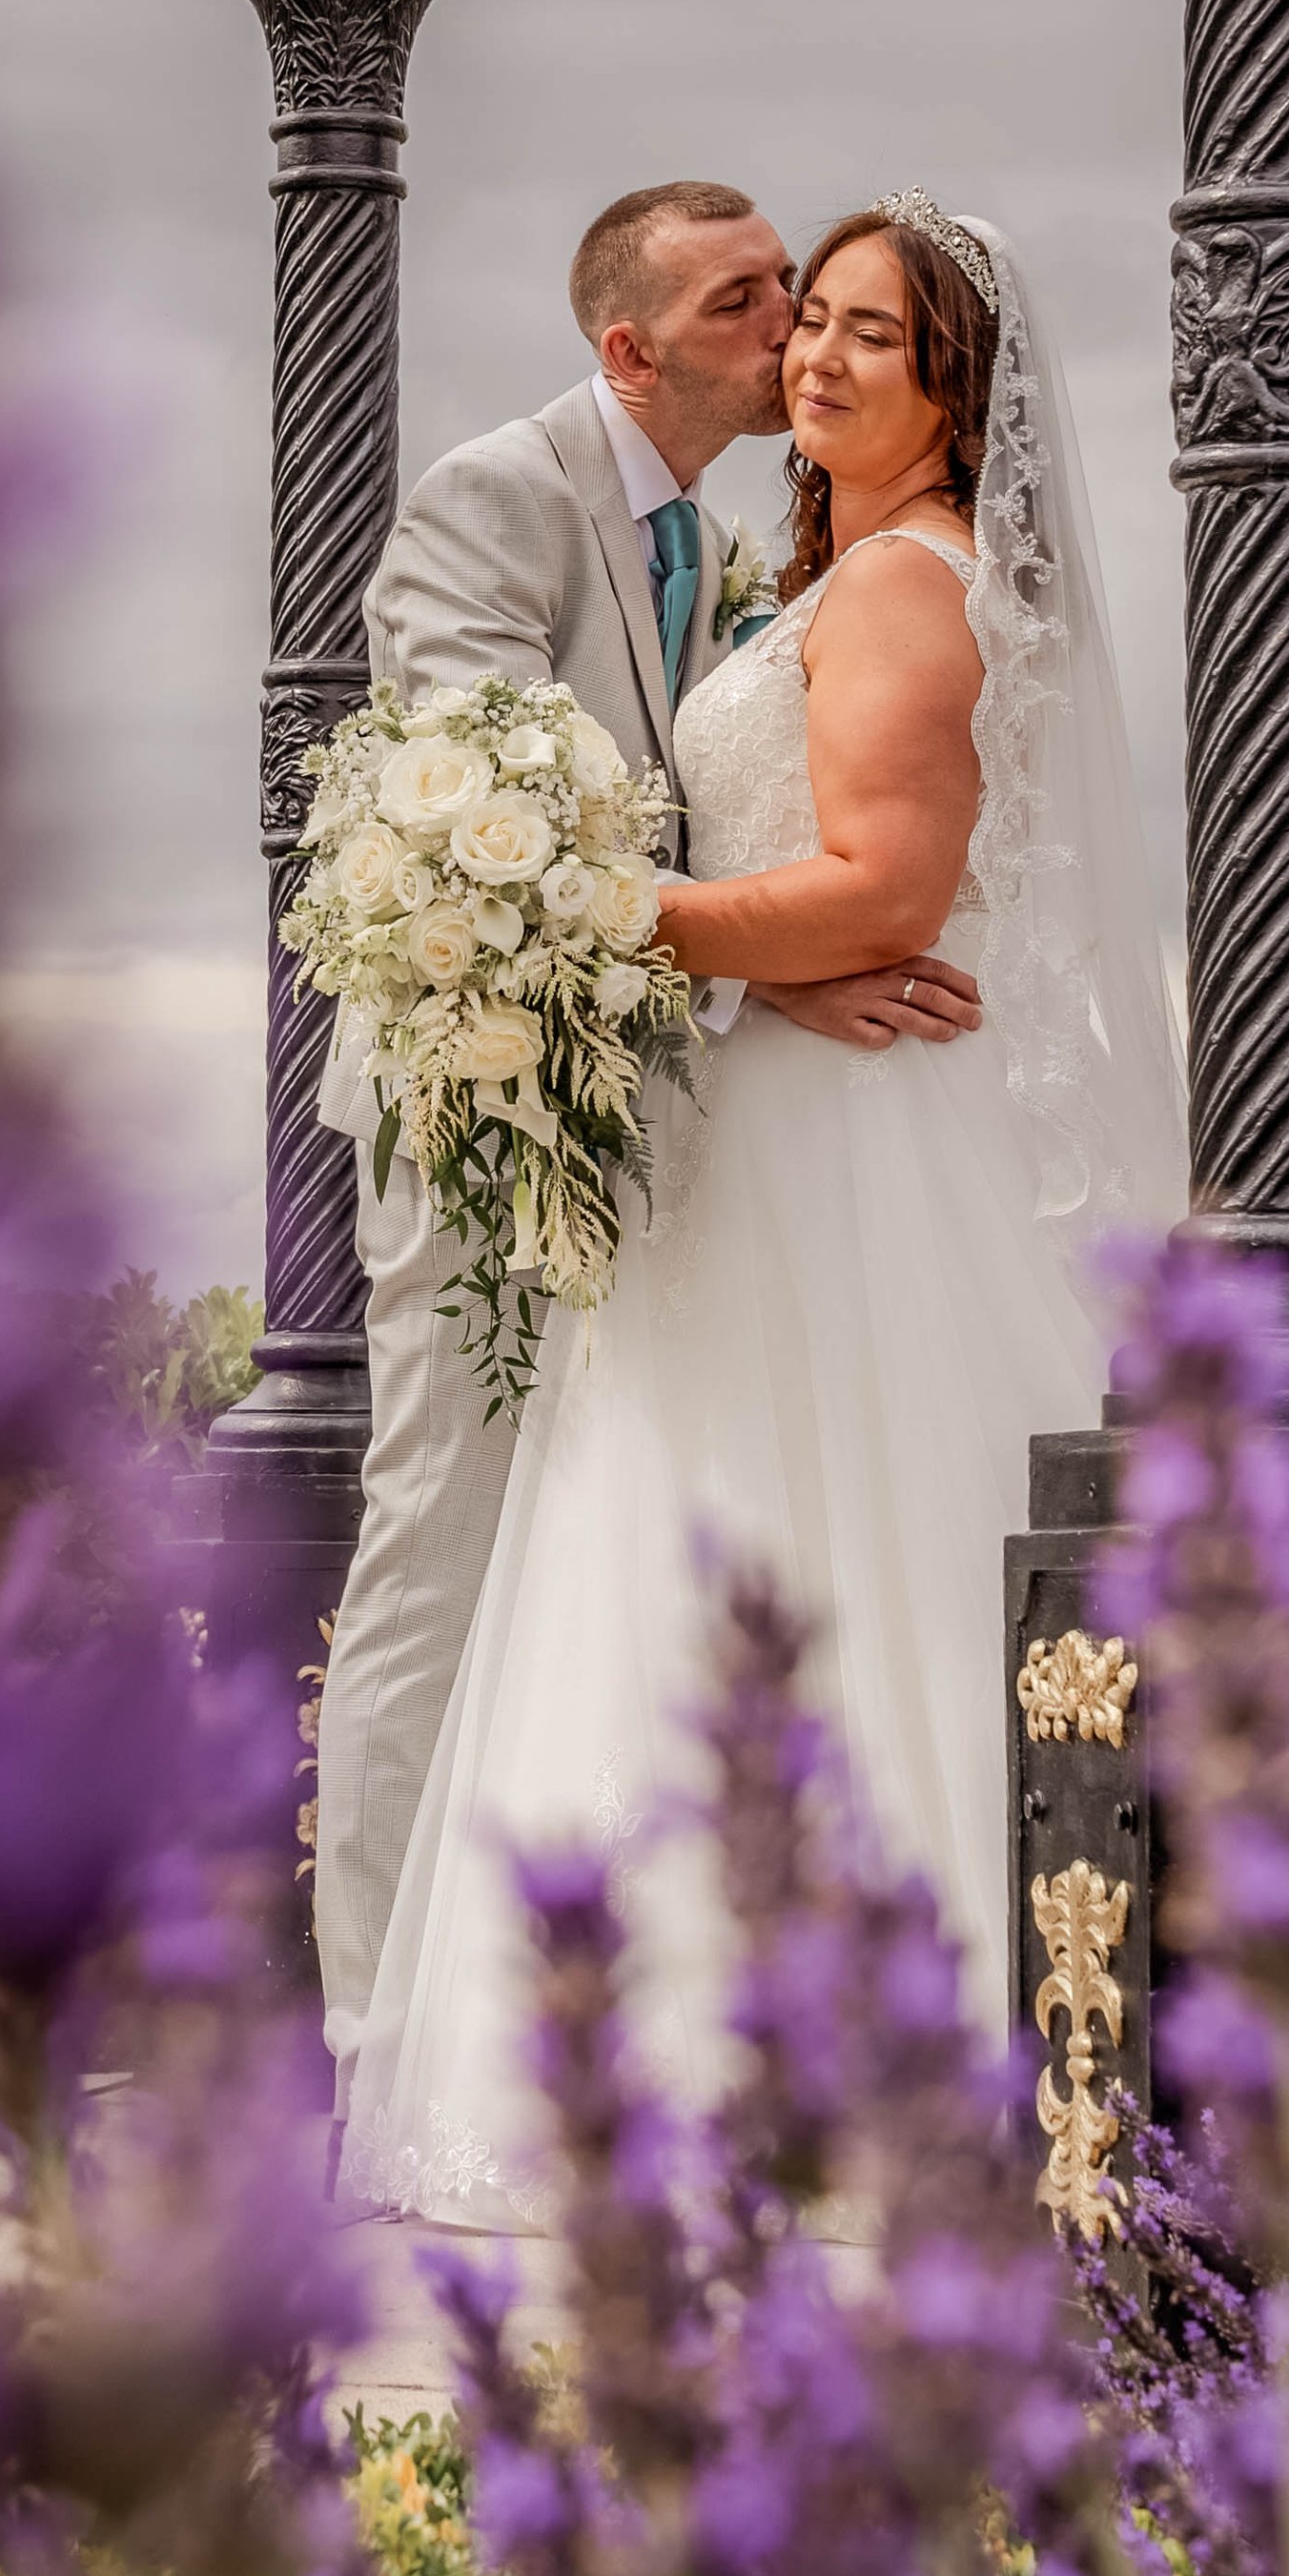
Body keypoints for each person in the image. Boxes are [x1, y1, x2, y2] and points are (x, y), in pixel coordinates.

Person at [337, 194, 1184, 2228]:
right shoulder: (753, 558)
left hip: (840, 1141)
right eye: (794, 317)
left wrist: (613, 918)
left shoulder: (891, 587)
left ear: (952, 391)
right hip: (714, 1107)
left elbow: (879, 891)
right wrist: (746, 958)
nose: (808, 355)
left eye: (862, 336)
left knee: (819, 1546)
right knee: (692, 1558)